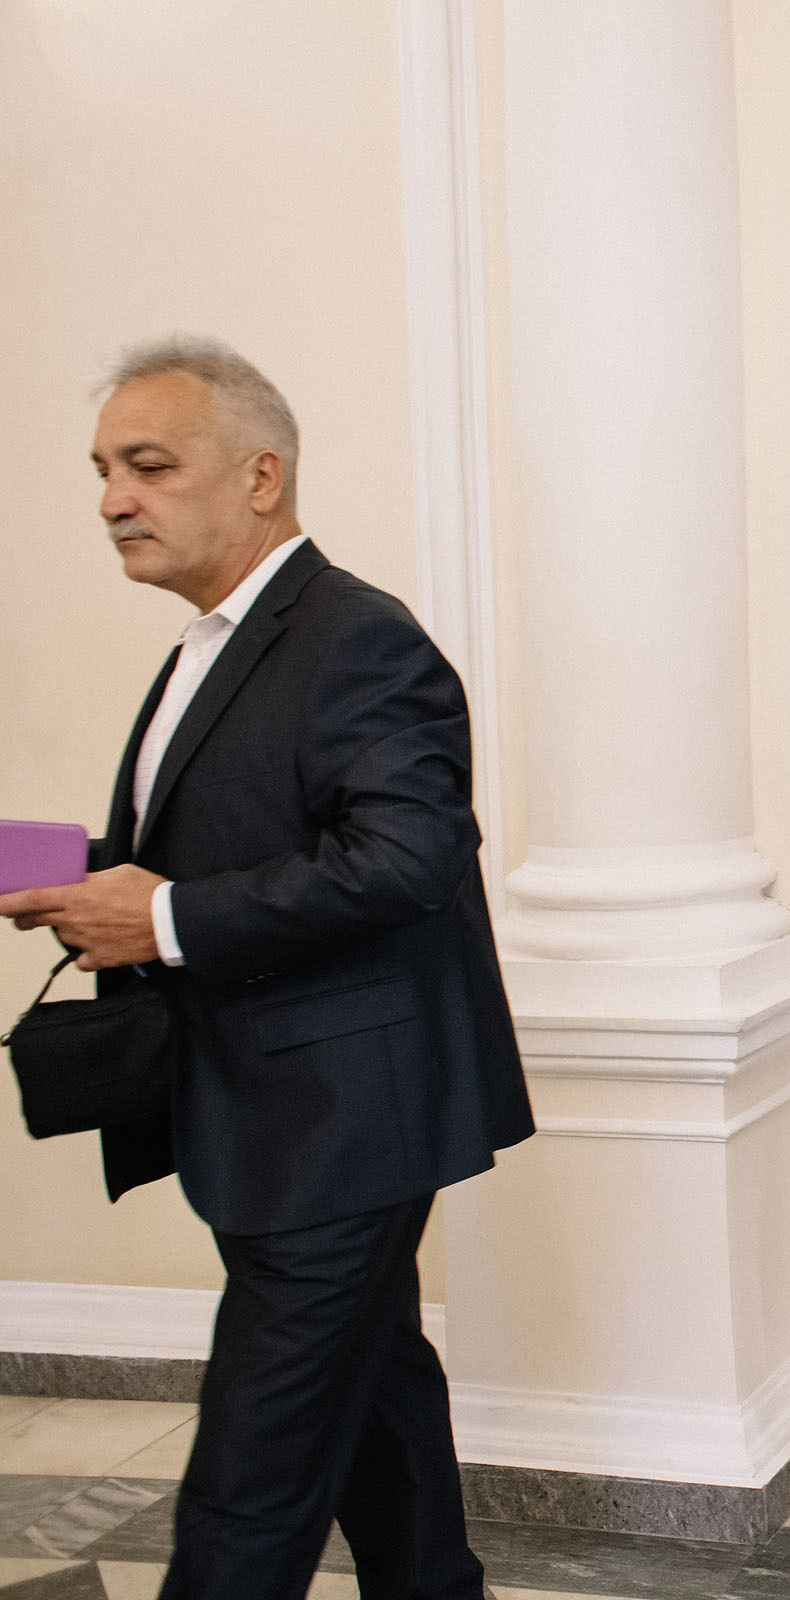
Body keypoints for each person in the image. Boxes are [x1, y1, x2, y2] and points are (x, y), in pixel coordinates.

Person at [0, 337, 533, 1599]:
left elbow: (410, 856)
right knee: (377, 1390)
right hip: (268, 1113)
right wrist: (54, 869)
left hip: (340, 1126)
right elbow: (205, 831)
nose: (112, 498)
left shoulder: (357, 636)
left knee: (249, 1479)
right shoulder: (208, 640)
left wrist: (170, 918)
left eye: (147, 465)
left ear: (259, 476)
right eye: (102, 470)